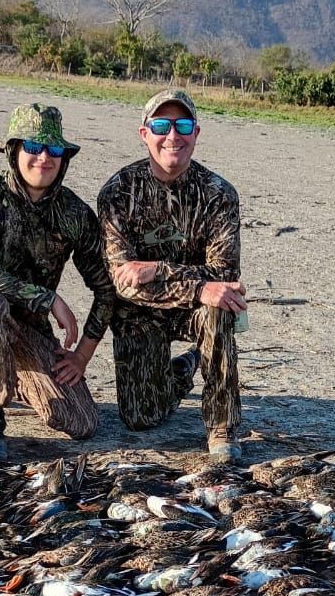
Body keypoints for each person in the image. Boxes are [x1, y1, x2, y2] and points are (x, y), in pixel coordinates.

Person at [0, 103, 116, 462]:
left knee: (81, 422)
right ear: (13, 150)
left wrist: (82, 354)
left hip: (27, 330)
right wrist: (48, 299)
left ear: (64, 158)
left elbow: (107, 288)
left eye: (53, 150)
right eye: (33, 148)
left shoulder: (74, 213)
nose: (43, 158)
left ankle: (10, 371)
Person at [97, 89, 247, 463]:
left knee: (221, 308)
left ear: (196, 132)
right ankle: (183, 369)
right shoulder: (118, 192)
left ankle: (221, 425)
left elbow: (224, 278)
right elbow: (122, 281)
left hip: (196, 309)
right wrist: (198, 284)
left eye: (182, 125)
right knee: (140, 419)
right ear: (144, 133)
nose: (172, 136)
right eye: (161, 125)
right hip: (140, 311)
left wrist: (155, 271)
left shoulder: (219, 195)